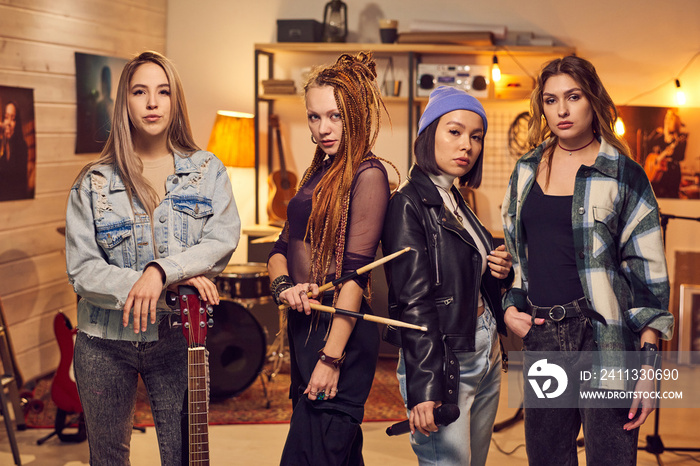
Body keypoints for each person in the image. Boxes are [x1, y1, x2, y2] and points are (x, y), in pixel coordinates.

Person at [65, 50, 241, 464]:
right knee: (107, 459)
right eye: (140, 91)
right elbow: (84, 271)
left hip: (178, 338)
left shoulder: (207, 170)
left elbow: (221, 241)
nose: (152, 102)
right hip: (104, 341)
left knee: (184, 456)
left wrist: (161, 272)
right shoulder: (92, 182)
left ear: (174, 101)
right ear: (124, 101)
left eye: (163, 92)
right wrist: (150, 282)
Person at [500, 55, 673, 465]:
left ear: (591, 100)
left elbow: (649, 282)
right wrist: (511, 305)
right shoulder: (525, 172)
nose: (561, 110)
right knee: (547, 459)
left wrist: (649, 371)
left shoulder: (624, 174)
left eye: (572, 97)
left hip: (604, 339)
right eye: (550, 99)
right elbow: (517, 260)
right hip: (543, 337)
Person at [267, 51, 397, 465]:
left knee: (315, 452)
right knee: (330, 454)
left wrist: (330, 358)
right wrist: (285, 288)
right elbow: (279, 251)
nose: (323, 128)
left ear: (356, 114)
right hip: (307, 328)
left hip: (340, 335)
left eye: (335, 116)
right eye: (314, 116)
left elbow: (354, 277)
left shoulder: (367, 173)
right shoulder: (316, 172)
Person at [381, 86, 513, 466]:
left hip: (484, 346)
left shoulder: (455, 197)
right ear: (428, 136)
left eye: (476, 137)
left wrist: (496, 269)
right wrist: (424, 386)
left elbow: (461, 275)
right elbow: (414, 302)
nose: (467, 146)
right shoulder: (406, 204)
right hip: (446, 358)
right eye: (454, 132)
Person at [0, 101, 31, 201]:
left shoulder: (22, 146)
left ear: (17, 124)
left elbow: (21, 184)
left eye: (13, 119)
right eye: (6, 117)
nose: (8, 123)